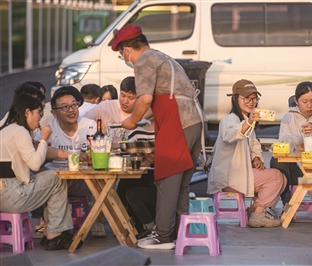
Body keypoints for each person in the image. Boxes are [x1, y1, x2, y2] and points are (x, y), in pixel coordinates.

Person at [111, 24, 205, 250]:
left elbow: (144, 100)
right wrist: (143, 118)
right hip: (194, 122)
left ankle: (163, 237)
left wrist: (131, 121)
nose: (124, 58)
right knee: (182, 184)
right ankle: (181, 231)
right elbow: (163, 100)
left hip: (178, 124)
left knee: (166, 179)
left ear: (126, 49)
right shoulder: (165, 58)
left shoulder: (144, 61)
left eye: (121, 53)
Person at [0, 93, 81, 251]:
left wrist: (42, 146)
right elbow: (35, 164)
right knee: (56, 177)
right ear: (27, 112)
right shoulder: (19, 131)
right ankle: (54, 233)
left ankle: (54, 232)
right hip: (12, 194)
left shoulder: (7, 129)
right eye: (39, 114)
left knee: (52, 179)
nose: (39, 121)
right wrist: (44, 139)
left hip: (4, 193)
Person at [207, 79, 286, 228]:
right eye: (246, 99)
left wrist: (256, 158)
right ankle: (258, 215)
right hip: (229, 177)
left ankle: (255, 210)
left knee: (281, 178)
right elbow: (230, 135)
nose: (251, 102)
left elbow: (253, 144)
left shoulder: (246, 120)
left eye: (254, 99)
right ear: (236, 99)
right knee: (276, 176)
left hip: (240, 174)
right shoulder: (230, 120)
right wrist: (249, 122)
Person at [85, 76, 156, 239]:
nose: (125, 101)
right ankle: (131, 228)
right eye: (123, 95)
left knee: (127, 189)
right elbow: (83, 121)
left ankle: (141, 228)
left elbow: (147, 147)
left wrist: (114, 146)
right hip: (114, 164)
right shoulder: (108, 108)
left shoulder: (147, 117)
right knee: (114, 188)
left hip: (148, 173)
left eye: (131, 98)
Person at [35, 86, 107, 238]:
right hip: (54, 179)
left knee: (105, 180)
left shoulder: (90, 126)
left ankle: (97, 221)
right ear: (54, 112)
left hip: (83, 179)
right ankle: (52, 226)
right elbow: (35, 156)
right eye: (65, 107)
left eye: (74, 105)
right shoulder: (47, 131)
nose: (71, 110)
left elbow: (100, 150)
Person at [270, 81, 312, 206]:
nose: (309, 105)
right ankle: (287, 202)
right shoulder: (288, 117)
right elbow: (283, 142)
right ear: (296, 100)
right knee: (276, 161)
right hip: (297, 168)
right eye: (304, 102)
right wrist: (302, 136)